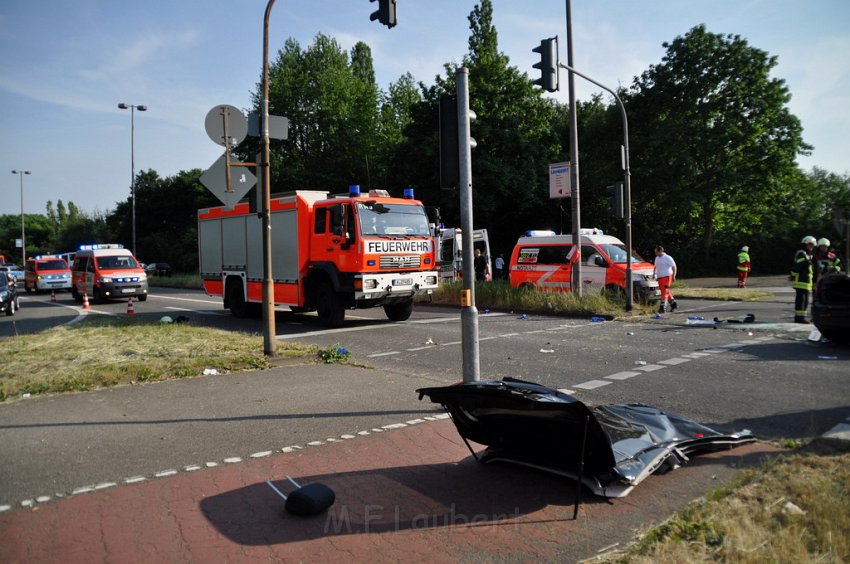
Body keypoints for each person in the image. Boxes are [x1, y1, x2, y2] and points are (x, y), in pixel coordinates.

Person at [791, 235, 816, 323]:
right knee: (801, 301)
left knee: (804, 301)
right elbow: (797, 266)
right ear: (805, 244)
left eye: (812, 245)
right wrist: (793, 275)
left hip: (806, 282)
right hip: (801, 281)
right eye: (810, 245)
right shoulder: (802, 253)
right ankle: (799, 318)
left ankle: (801, 317)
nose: (811, 247)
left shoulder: (807, 254)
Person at [653, 245, 678, 313]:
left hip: (667, 277)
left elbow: (674, 266)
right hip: (660, 278)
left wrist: (673, 276)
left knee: (664, 292)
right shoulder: (657, 258)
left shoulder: (667, 258)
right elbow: (655, 267)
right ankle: (673, 304)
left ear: (660, 251)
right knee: (665, 291)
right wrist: (654, 274)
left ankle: (662, 307)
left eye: (656, 251)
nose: (655, 253)